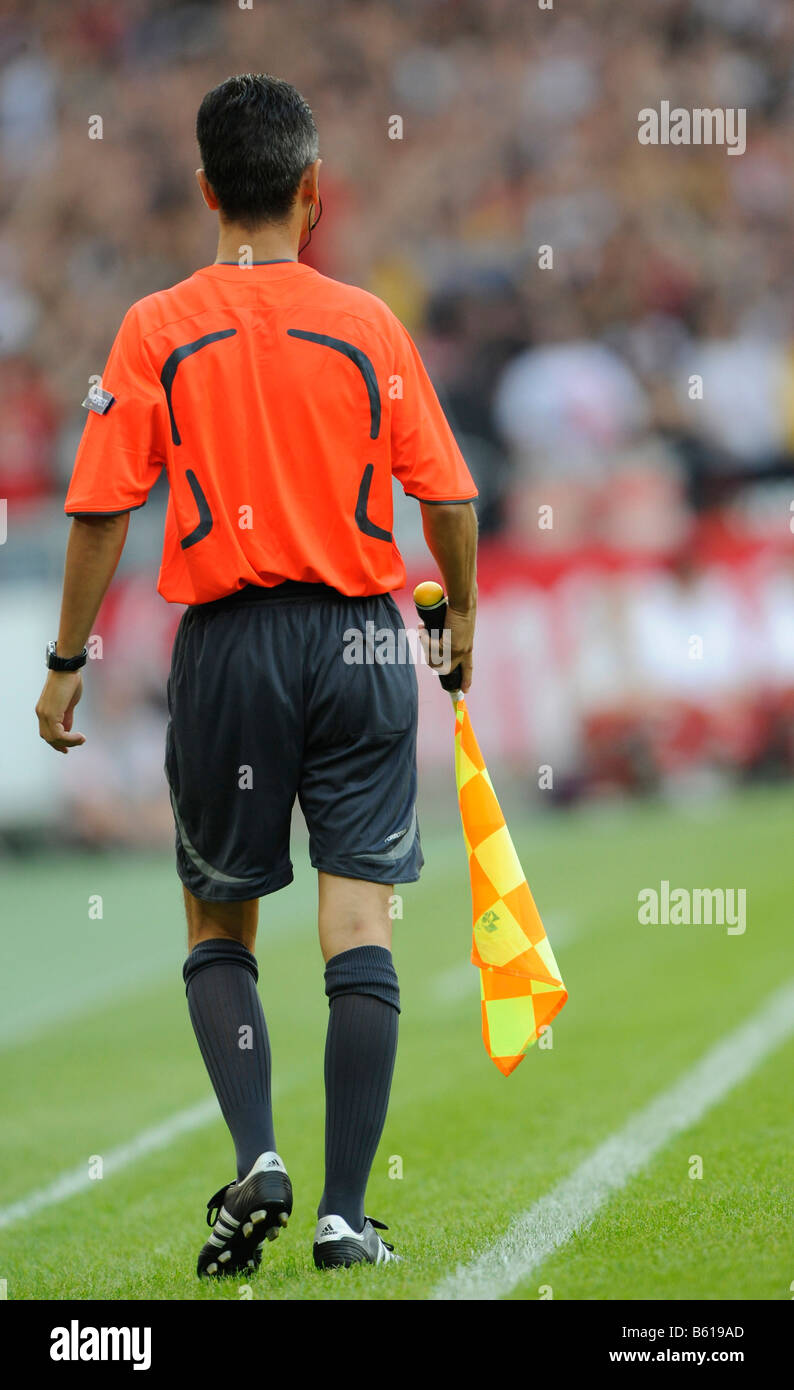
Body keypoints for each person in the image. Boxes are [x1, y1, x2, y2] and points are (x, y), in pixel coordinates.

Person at [35, 73, 478, 1276]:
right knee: (356, 917)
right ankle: (343, 1210)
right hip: (358, 637)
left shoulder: (153, 329)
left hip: (228, 648)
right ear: (313, 192)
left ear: (203, 192)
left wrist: (67, 661)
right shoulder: (369, 322)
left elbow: (96, 508)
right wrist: (459, 622)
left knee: (219, 918)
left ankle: (257, 1154)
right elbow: (447, 492)